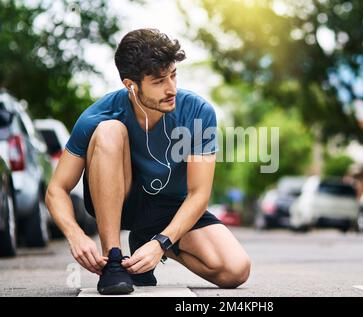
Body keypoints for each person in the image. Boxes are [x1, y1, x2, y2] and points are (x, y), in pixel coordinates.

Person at [45, 28, 251, 295]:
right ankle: (115, 261)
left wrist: (161, 244)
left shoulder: (198, 112)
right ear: (131, 84)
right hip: (122, 200)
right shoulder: (98, 115)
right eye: (158, 81)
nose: (171, 89)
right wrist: (76, 235)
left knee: (235, 270)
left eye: (173, 75)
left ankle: (144, 247)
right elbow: (56, 190)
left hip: (170, 209)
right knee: (110, 130)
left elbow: (199, 194)